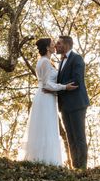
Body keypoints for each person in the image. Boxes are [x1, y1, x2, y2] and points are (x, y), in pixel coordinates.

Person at [21, 38, 77, 166]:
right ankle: (44, 161)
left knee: (46, 127)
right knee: (45, 127)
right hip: (45, 97)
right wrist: (64, 87)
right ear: (47, 48)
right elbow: (46, 85)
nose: (55, 47)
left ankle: (44, 160)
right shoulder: (45, 62)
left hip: (47, 97)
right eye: (52, 44)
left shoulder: (45, 62)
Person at [51, 35, 90, 169]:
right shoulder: (61, 61)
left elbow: (77, 80)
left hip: (77, 103)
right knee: (70, 137)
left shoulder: (77, 59)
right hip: (64, 105)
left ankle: (82, 168)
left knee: (79, 136)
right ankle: (75, 167)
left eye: (59, 43)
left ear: (66, 45)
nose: (56, 45)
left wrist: (60, 88)